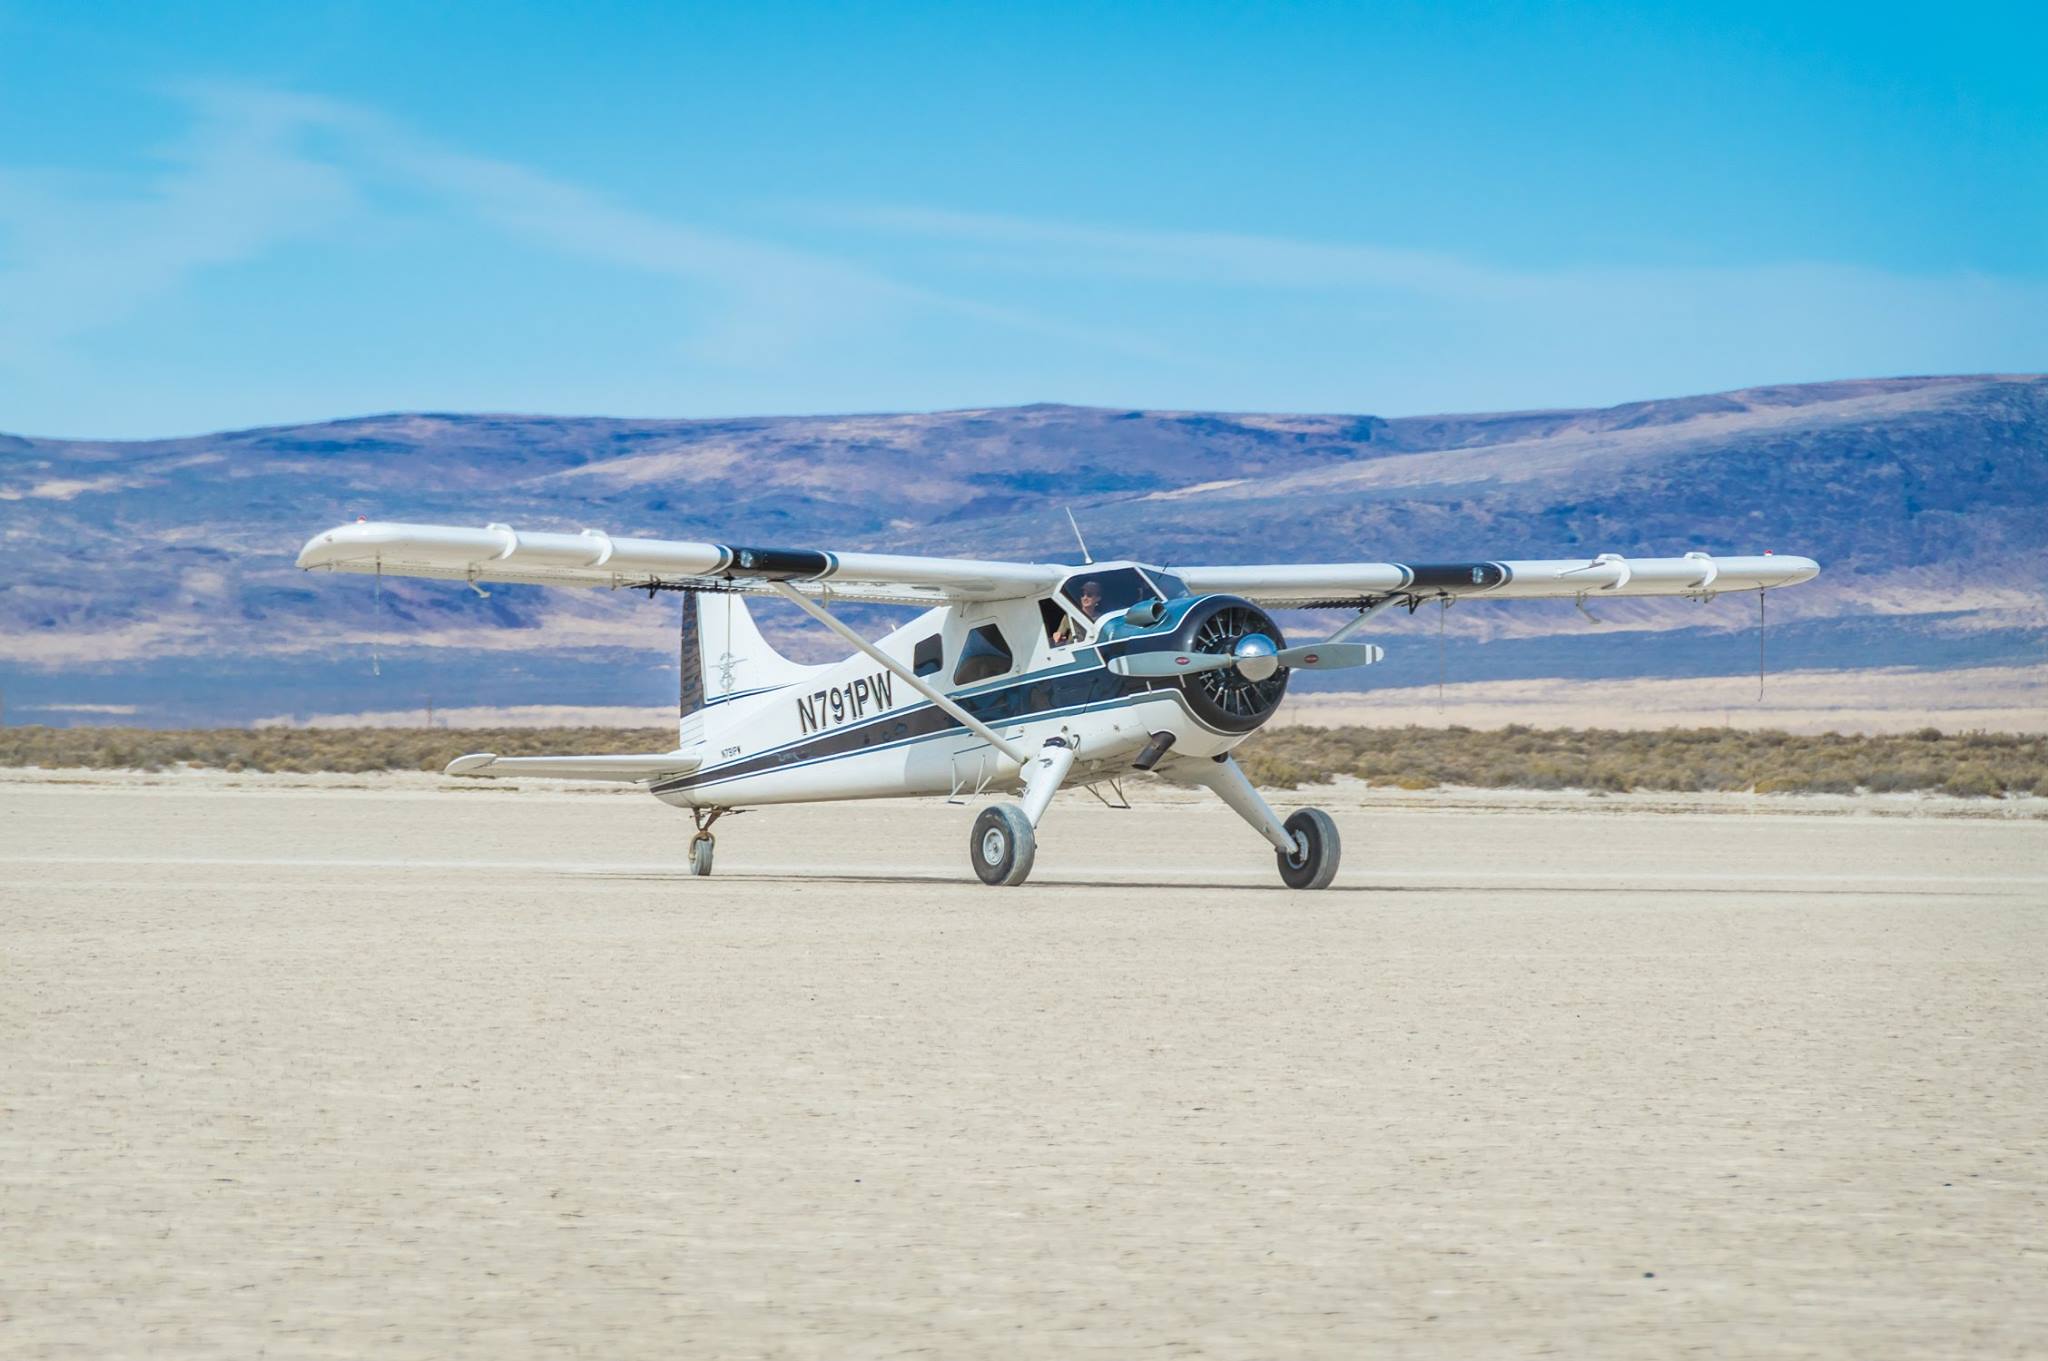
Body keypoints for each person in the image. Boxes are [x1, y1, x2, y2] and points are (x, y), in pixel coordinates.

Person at [1052, 580, 1102, 644]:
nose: (1085, 598)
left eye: (1089, 595)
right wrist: (1057, 637)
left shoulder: (1101, 618)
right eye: (1082, 595)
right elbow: (1059, 636)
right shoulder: (1070, 616)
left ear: (1098, 598)